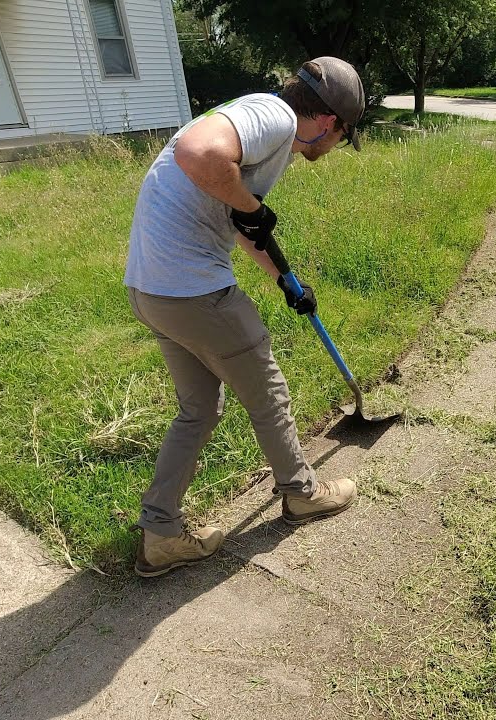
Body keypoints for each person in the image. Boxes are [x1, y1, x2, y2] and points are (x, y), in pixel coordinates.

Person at [123, 57, 366, 578]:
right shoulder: (274, 117)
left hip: (151, 290)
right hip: (193, 290)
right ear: (329, 122)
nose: (336, 146)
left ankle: (160, 534)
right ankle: (302, 494)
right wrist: (253, 210)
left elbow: (238, 216)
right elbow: (198, 154)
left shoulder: (253, 121)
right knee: (267, 392)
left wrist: (284, 278)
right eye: (343, 136)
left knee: (198, 410)